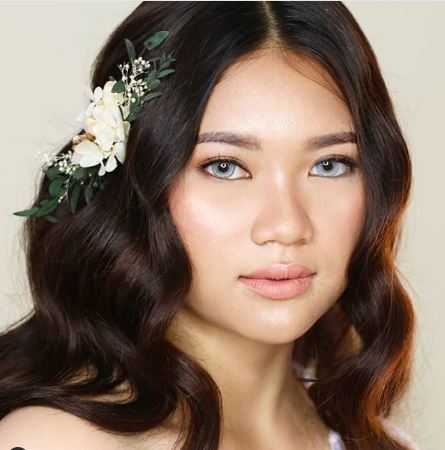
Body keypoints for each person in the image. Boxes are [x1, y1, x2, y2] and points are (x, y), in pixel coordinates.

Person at [0, 2, 418, 449]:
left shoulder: (375, 437)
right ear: (134, 184)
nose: (287, 226)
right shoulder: (57, 440)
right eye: (224, 167)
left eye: (330, 164)